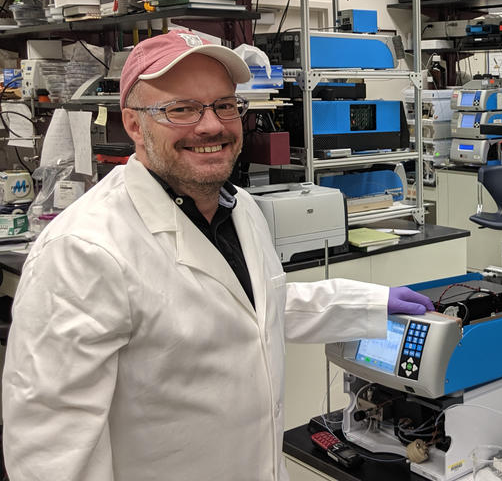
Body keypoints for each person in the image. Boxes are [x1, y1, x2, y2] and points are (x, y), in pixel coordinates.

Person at [1, 31, 435, 481]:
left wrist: (367, 304)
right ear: (134, 124)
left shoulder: (239, 208)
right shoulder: (83, 251)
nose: (210, 126)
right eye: (181, 109)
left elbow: (255, 308)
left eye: (224, 105)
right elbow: (49, 452)